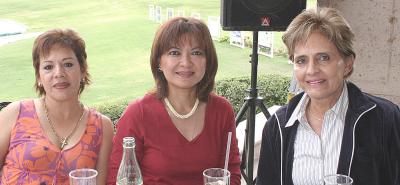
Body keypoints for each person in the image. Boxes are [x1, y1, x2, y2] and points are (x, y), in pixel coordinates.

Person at [256, 8, 400, 185]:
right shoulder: (277, 126)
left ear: (347, 64)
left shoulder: (385, 118)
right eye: (301, 60)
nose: (311, 70)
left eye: (323, 58)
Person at [107, 17, 241, 185]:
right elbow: (116, 180)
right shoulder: (138, 114)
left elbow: (232, 175)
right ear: (159, 62)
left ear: (208, 61)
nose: (186, 62)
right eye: (174, 53)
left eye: (196, 53)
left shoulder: (222, 111)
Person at [0, 29, 114, 185]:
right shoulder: (14, 113)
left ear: (82, 71)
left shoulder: (102, 126)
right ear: (39, 77)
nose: (59, 73)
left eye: (68, 64)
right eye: (48, 67)